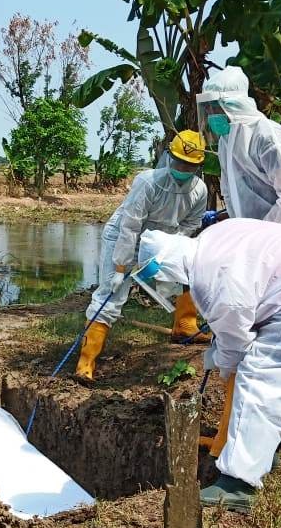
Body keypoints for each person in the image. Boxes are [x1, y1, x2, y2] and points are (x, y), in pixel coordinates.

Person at [134, 219, 281, 512]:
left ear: (168, 265)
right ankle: (270, 447)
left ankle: (238, 485)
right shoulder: (212, 240)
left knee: (261, 376)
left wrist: (224, 366)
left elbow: (235, 341)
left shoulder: (209, 273)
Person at [74, 130, 209, 382]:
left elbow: (190, 226)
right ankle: (86, 362)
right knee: (112, 295)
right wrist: (120, 268)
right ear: (169, 157)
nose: (183, 168)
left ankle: (185, 328)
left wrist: (170, 253)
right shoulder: (148, 182)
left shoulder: (199, 190)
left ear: (198, 165)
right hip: (126, 238)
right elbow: (130, 226)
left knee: (187, 274)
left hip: (161, 242)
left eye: (189, 165)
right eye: (179, 162)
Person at [196, 66, 281, 228]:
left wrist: (260, 232)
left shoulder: (268, 137)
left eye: (213, 106)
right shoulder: (227, 140)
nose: (209, 112)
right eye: (207, 107)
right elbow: (232, 193)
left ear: (232, 104)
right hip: (254, 234)